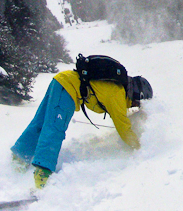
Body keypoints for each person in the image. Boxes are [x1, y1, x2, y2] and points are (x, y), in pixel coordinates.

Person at [10, 61, 153, 189]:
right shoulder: (118, 95)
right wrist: (141, 148)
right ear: (136, 94)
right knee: (55, 128)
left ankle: (19, 159)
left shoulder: (117, 90)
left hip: (61, 82)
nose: (136, 105)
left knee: (41, 123)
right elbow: (124, 128)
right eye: (138, 102)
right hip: (67, 87)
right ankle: (42, 176)